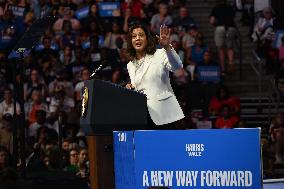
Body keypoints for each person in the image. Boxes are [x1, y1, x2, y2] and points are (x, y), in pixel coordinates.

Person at [126, 24, 184, 126]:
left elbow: (177, 67)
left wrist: (167, 47)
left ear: (147, 39)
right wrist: (130, 88)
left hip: (163, 113)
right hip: (142, 116)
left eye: (141, 35)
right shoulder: (130, 65)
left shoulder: (160, 54)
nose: (137, 38)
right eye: (134, 36)